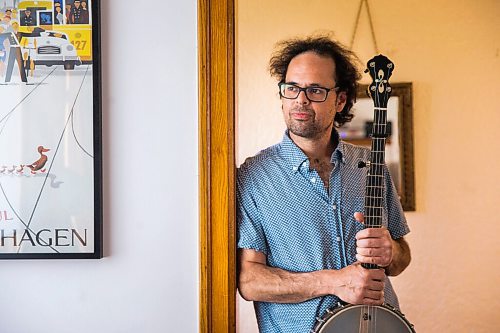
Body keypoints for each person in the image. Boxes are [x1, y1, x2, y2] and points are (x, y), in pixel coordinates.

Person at [237, 34, 411, 333]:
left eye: (315, 90)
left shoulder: (371, 167)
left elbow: (401, 257)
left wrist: (390, 251)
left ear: (340, 99)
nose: (301, 100)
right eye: (292, 88)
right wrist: (334, 281)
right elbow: (250, 281)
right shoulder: (253, 177)